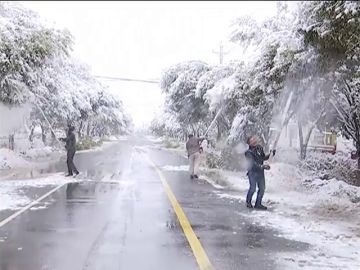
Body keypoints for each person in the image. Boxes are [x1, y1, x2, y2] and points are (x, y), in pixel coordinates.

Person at [244, 135, 275, 210]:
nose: (255, 140)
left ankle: (258, 203)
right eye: (252, 139)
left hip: (260, 173)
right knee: (253, 188)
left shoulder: (260, 148)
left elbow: (263, 158)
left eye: (255, 139)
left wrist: (271, 154)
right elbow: (252, 163)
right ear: (249, 143)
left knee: (262, 188)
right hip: (252, 172)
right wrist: (262, 166)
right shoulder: (248, 152)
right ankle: (248, 202)